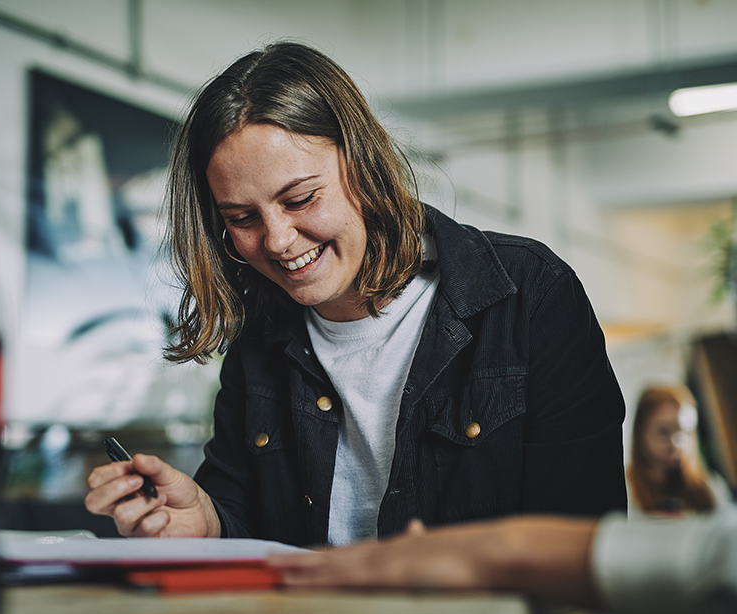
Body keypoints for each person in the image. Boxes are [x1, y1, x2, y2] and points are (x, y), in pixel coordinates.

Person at [84, 41, 627, 547]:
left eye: (300, 198)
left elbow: (582, 543)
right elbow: (247, 518)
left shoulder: (528, 296)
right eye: (242, 218)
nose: (276, 241)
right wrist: (207, 520)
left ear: (363, 165)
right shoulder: (260, 338)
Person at [267, 506, 737, 614]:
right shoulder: (258, 337)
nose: (278, 251)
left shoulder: (537, 290)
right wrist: (217, 519)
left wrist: (499, 549)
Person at [627, 385, 728, 516]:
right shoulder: (625, 490)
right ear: (640, 433)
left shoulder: (710, 487)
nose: (675, 443)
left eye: (684, 431)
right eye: (663, 432)